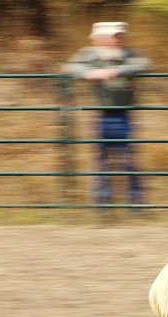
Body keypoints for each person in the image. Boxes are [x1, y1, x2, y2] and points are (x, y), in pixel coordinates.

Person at [63, 22, 152, 205]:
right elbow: (70, 68)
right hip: (102, 114)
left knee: (129, 158)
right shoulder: (90, 53)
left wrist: (116, 71)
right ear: (98, 38)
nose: (116, 39)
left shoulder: (129, 53)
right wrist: (91, 73)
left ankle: (136, 203)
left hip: (125, 114)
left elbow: (145, 64)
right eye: (112, 36)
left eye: (118, 36)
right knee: (102, 159)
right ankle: (103, 203)